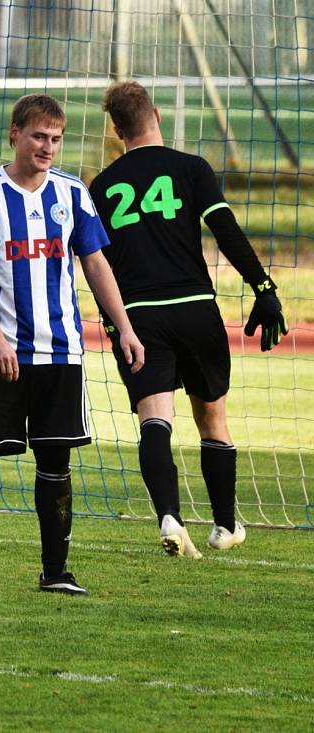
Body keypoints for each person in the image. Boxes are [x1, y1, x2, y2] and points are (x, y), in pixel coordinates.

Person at [0, 94, 144, 596]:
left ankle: (56, 572)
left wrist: (125, 327)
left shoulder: (73, 193)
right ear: (14, 134)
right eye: (38, 137)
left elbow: (95, 265)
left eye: (56, 139)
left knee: (56, 463)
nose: (47, 147)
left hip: (60, 353)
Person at [89, 80, 288, 558]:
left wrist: (116, 328)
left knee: (154, 419)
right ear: (156, 114)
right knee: (212, 418)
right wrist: (264, 289)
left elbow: (98, 264)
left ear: (117, 130)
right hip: (196, 309)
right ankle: (223, 526)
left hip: (139, 316)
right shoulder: (190, 168)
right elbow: (226, 231)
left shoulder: (100, 186)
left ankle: (170, 518)